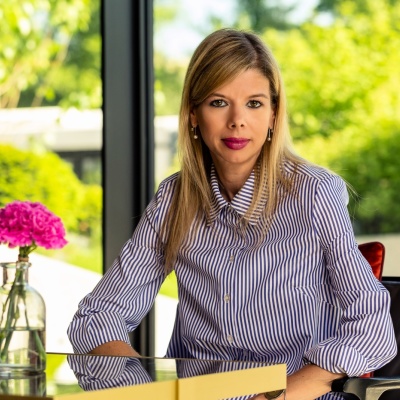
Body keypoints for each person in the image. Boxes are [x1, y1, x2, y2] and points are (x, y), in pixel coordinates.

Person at [68, 28, 397, 400]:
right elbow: (98, 315)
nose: (237, 120)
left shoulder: (314, 192)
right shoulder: (174, 199)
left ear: (274, 114)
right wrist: (143, 392)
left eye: (254, 103)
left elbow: (373, 328)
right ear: (193, 114)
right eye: (218, 102)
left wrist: (280, 396)